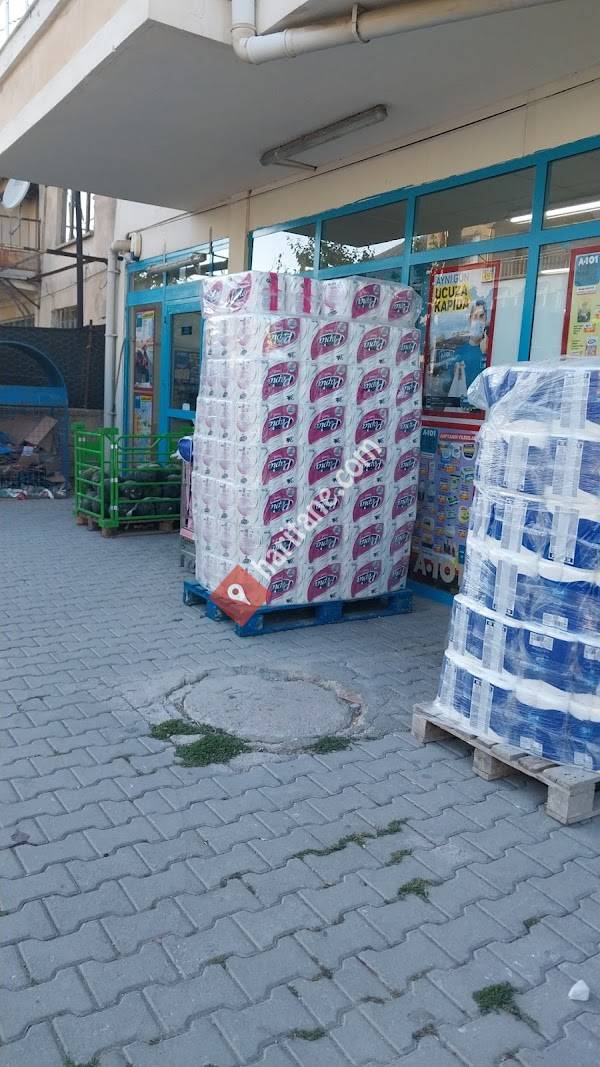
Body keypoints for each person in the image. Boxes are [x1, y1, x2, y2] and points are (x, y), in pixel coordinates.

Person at [429, 299, 488, 405]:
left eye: (482, 316)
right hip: (462, 406)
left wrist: (484, 353)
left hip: (480, 407)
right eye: (475, 316)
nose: (478, 321)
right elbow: (446, 387)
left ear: (486, 320)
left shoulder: (489, 350)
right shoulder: (459, 352)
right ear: (470, 319)